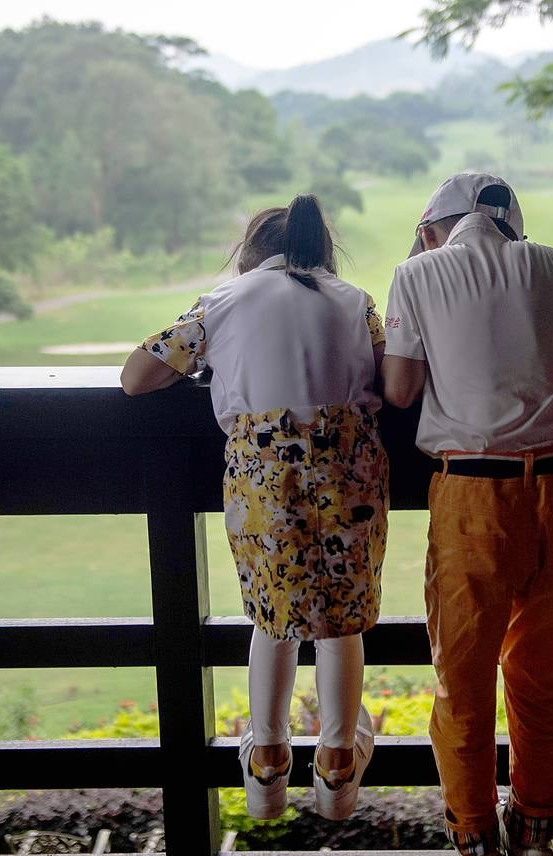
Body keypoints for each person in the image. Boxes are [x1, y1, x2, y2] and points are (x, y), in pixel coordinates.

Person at [381, 174, 553, 856]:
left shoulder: (417, 273)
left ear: (433, 228)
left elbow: (400, 391)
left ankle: (474, 841)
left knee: (462, 676)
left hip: (473, 494)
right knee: (542, 674)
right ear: (511, 226)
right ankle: (535, 834)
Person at [121, 195, 387, 821]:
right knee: (341, 617)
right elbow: (388, 371)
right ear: (322, 249)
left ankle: (266, 762)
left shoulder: (221, 304)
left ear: (249, 253)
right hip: (348, 471)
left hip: (265, 477)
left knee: (273, 614)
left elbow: (137, 376)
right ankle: (338, 763)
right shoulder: (355, 302)